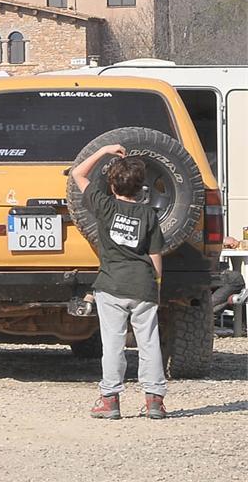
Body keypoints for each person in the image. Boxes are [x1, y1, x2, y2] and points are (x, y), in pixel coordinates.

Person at [71, 144, 166, 420]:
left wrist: (103, 151)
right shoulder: (150, 215)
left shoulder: (105, 205)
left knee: (113, 344)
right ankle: (155, 402)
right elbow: (155, 255)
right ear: (141, 188)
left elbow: (78, 173)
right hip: (143, 285)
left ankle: (110, 400)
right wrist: (157, 283)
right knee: (149, 343)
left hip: (111, 286)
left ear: (112, 186)